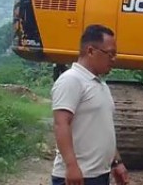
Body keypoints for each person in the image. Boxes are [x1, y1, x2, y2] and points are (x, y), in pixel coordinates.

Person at [51, 24, 130, 185]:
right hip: (79, 177)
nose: (114, 59)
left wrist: (116, 162)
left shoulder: (100, 85)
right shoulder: (71, 80)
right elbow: (61, 124)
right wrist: (72, 166)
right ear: (91, 51)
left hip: (99, 174)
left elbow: (102, 129)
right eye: (110, 54)